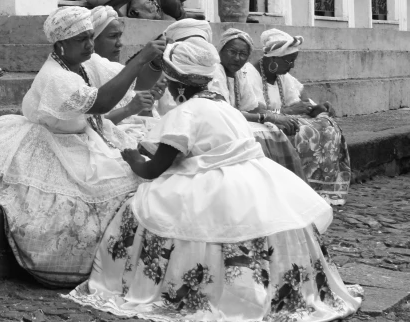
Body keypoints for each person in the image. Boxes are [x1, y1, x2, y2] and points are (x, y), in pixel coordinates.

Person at [66, 41, 362, 322]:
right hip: (253, 180)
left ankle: (183, 288)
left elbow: (154, 169)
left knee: (143, 208)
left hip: (210, 183)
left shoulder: (186, 114)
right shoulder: (225, 107)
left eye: (169, 81)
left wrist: (132, 158)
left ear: (178, 84)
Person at [0, 7, 166, 287]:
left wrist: (155, 60)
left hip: (85, 137)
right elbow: (102, 103)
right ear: (60, 45)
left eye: (91, 37)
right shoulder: (56, 76)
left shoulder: (84, 64)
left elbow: (137, 82)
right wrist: (141, 57)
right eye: (82, 40)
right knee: (100, 195)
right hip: (55, 144)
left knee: (134, 179)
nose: (90, 45)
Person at [242, 29, 352, 205]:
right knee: (307, 132)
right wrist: (286, 113)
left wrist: (316, 108)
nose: (292, 66)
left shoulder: (281, 76)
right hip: (262, 123)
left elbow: (301, 98)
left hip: (283, 121)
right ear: (273, 59)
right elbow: (257, 111)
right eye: (289, 61)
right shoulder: (249, 74)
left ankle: (323, 189)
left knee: (327, 124)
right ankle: (301, 188)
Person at [215, 28, 307, 181]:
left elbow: (253, 106)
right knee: (263, 132)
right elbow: (226, 112)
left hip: (237, 121)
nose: (237, 58)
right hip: (222, 124)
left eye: (243, 54)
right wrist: (272, 116)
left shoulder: (239, 74)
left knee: (273, 128)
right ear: (221, 50)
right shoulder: (217, 72)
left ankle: (283, 185)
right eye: (232, 52)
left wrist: (275, 117)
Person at [88, 6, 161, 144]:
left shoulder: (113, 69)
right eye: (112, 36)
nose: (120, 43)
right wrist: (129, 109)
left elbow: (144, 117)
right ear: (93, 40)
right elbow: (93, 125)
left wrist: (147, 103)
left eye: (120, 36)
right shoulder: (89, 66)